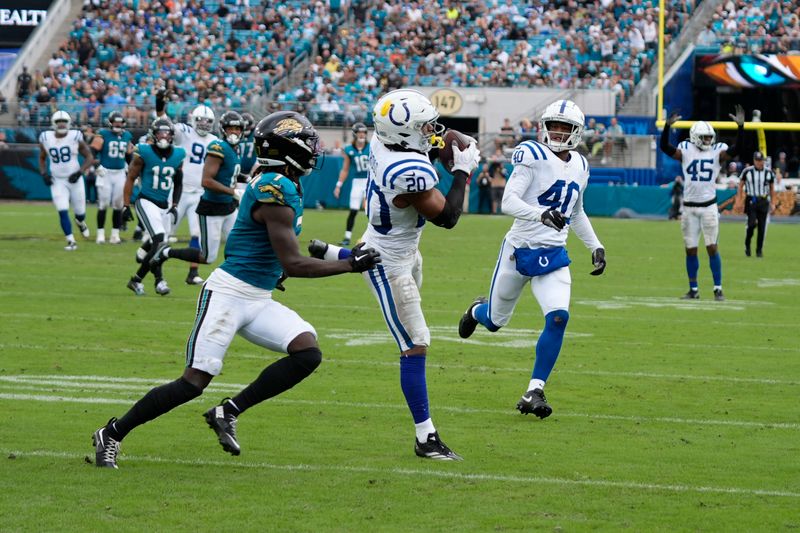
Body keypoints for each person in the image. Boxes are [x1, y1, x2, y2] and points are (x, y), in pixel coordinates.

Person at [92, 111, 381, 469]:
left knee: (307, 352)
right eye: (307, 143)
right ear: (286, 148)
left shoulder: (284, 181)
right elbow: (293, 263)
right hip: (228, 295)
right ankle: (113, 433)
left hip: (257, 297)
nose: (313, 150)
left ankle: (227, 411)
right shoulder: (273, 185)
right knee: (194, 382)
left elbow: (270, 247)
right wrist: (350, 265)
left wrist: (327, 255)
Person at [307, 89, 481, 460]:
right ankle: (425, 437)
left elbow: (422, 146)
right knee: (415, 341)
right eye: (423, 126)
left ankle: (339, 254)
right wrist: (463, 171)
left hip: (394, 245)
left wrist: (440, 144)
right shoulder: (407, 171)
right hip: (390, 262)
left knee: (411, 328)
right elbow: (448, 217)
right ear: (403, 133)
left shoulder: (383, 141)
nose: (432, 130)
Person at [457, 99, 606, 419]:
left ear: (577, 132)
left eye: (565, 127)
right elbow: (508, 202)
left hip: (553, 255)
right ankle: (476, 310)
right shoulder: (531, 154)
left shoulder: (581, 164)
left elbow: (576, 211)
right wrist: (541, 215)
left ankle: (534, 390)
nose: (558, 132)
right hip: (518, 250)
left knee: (558, 317)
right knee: (495, 321)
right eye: (553, 125)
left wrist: (595, 245)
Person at [659, 105, 745, 301]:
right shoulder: (686, 149)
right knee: (690, 249)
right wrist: (666, 127)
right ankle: (693, 289)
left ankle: (717, 289)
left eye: (709, 137)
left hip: (708, 207)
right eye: (705, 137)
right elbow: (665, 147)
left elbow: (737, 149)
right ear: (696, 137)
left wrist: (740, 127)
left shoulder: (717, 151)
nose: (708, 140)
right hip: (689, 208)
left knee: (712, 246)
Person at [150, 111, 245, 271]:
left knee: (240, 246)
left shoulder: (235, 148)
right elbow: (206, 181)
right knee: (208, 257)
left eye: (237, 129)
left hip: (228, 207)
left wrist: (248, 179)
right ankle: (166, 252)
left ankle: (234, 279)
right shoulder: (218, 147)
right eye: (230, 129)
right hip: (212, 208)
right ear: (223, 129)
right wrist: (233, 192)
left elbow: (229, 174)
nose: (234, 132)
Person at [155, 88, 218, 285]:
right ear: (193, 119)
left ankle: (192, 273)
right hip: (178, 192)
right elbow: (163, 124)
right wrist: (160, 105)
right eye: (201, 120)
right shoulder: (184, 132)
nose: (204, 124)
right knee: (163, 233)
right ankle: (154, 269)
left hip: (200, 193)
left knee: (197, 234)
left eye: (208, 121)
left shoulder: (215, 141)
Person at [122, 118, 186, 296]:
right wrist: (125, 205)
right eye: (160, 133)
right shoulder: (144, 151)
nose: (164, 136)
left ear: (172, 136)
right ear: (153, 135)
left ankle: (151, 278)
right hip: (146, 201)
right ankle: (145, 280)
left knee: (159, 245)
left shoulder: (179, 154)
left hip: (164, 204)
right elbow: (131, 178)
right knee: (159, 241)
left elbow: (179, 183)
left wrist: (174, 204)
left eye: (167, 133)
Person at [38, 110, 95, 250]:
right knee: (62, 209)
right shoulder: (46, 137)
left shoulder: (75, 136)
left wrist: (79, 172)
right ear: (54, 123)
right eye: (59, 122)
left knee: (80, 213)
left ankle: (80, 222)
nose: (62, 125)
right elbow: (42, 157)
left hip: (74, 179)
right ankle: (71, 241)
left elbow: (89, 157)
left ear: (69, 123)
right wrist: (44, 173)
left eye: (64, 122)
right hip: (57, 180)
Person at [91, 111, 134, 244]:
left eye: (120, 123)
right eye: (116, 123)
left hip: (120, 173)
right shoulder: (103, 134)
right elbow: (92, 151)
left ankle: (115, 235)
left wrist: (131, 171)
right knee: (103, 204)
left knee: (118, 205)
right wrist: (96, 166)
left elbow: (129, 156)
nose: (118, 125)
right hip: (106, 173)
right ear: (110, 123)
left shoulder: (127, 135)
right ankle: (100, 234)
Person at [334, 122, 370, 245]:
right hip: (357, 182)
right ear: (355, 134)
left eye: (364, 132)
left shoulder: (371, 147)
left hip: (369, 181)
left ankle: (372, 238)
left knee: (368, 209)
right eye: (360, 132)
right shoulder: (349, 149)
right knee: (353, 210)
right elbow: (345, 169)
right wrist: (338, 185)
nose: (362, 134)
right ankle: (347, 237)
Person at [738, 151, 775, 257]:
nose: (759, 163)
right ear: (754, 160)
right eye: (757, 160)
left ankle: (759, 250)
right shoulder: (747, 171)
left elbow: (772, 188)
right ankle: (747, 245)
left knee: (762, 227)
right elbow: (740, 185)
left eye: (761, 160)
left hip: (763, 200)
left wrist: (773, 202)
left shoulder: (768, 172)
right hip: (751, 200)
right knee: (751, 224)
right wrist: (739, 200)